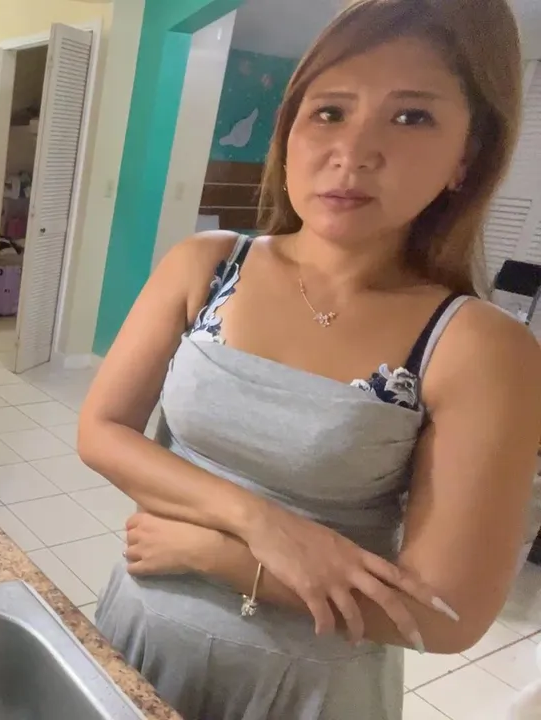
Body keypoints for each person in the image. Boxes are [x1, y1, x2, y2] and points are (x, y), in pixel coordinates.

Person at [77, 0, 541, 717]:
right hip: (137, 637)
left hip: (306, 691)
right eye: (329, 111)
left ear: (466, 158)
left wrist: (218, 555)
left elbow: (445, 616)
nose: (353, 151)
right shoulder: (206, 266)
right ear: (288, 133)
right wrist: (263, 523)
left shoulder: (478, 344)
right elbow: (102, 431)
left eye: (411, 116)